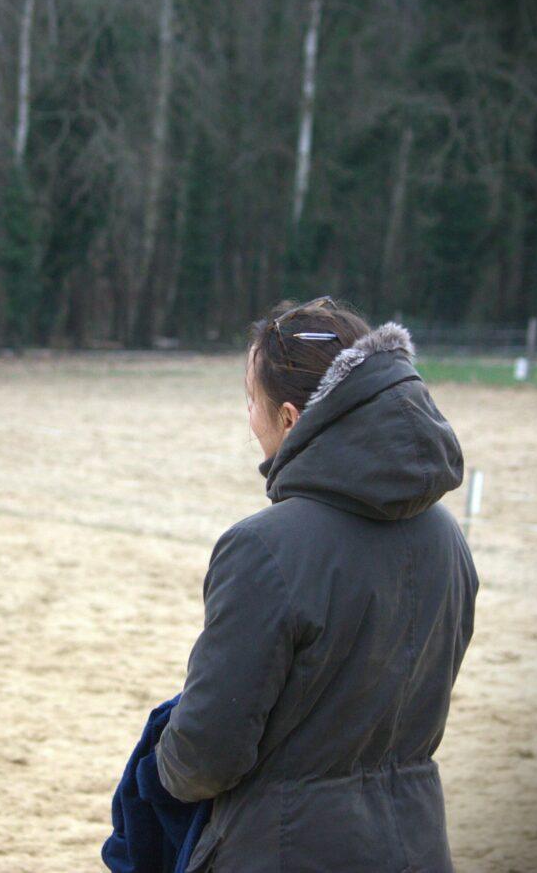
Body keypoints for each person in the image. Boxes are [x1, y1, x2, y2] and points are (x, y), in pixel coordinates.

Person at [154, 297, 478, 872]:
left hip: (284, 850)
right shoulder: (448, 536)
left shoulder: (263, 547)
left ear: (288, 419)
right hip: (418, 846)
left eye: (250, 400)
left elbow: (206, 757)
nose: (246, 416)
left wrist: (161, 758)